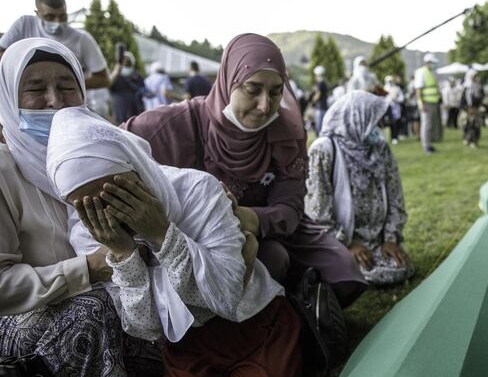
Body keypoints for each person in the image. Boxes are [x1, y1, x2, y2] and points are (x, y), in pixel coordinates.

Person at [44, 103, 299, 377]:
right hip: (191, 346)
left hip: (255, 326)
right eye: (89, 205)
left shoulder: (197, 190)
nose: (107, 213)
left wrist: (163, 234)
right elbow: (145, 329)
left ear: (134, 167)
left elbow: (226, 297)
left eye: (116, 193)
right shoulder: (88, 231)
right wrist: (126, 256)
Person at [123, 34, 367, 307]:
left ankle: (295, 296)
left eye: (276, 91)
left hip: (269, 223)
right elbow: (113, 143)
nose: (265, 106)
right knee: (271, 259)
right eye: (253, 89)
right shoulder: (177, 124)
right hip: (198, 233)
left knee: (345, 274)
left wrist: (246, 218)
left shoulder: (287, 133)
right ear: (229, 81)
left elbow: (289, 207)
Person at [0, 38, 161, 377]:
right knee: (93, 310)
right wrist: (88, 268)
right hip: (25, 317)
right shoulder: (4, 169)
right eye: (35, 89)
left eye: (66, 86)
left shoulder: (91, 150)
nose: (55, 102)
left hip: (103, 287)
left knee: (150, 296)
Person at [306, 91, 413, 286]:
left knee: (399, 267)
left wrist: (390, 239)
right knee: (355, 272)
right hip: (340, 243)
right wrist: (347, 245)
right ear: (356, 118)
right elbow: (317, 212)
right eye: (374, 121)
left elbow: (396, 196)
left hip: (378, 242)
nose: (379, 128)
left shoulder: (380, 148)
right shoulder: (323, 150)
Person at [0, 0, 110, 91]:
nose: (57, 22)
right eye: (50, 17)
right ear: (38, 14)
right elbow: (2, 53)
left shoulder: (82, 39)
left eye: (63, 16)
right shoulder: (24, 25)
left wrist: (68, 85)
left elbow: (104, 79)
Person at [414, 53, 442, 154]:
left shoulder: (430, 73)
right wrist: (421, 104)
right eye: (433, 63)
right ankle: (426, 146)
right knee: (426, 125)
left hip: (433, 102)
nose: (434, 65)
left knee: (431, 125)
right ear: (428, 62)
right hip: (426, 103)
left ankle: (429, 145)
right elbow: (418, 90)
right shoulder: (421, 72)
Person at [109, 51, 144, 124]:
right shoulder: (115, 76)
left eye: (128, 64)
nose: (125, 66)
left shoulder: (137, 76)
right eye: (124, 64)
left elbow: (142, 91)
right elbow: (109, 85)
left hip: (135, 115)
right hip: (119, 113)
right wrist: (116, 72)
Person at [462, 69, 483, 148]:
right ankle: (469, 140)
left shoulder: (478, 86)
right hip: (468, 109)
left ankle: (474, 141)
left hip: (475, 109)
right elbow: (465, 100)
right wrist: (469, 108)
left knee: (476, 125)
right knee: (469, 126)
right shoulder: (467, 87)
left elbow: (480, 97)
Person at [384, 75, 404, 144]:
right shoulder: (384, 88)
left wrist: (396, 100)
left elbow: (401, 97)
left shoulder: (397, 88)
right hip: (388, 107)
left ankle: (395, 136)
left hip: (396, 107)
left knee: (396, 122)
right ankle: (392, 136)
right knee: (390, 123)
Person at [310, 65, 329, 136]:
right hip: (323, 107)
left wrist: (312, 101)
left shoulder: (321, 83)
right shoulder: (324, 83)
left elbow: (318, 95)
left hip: (320, 107)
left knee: (319, 127)